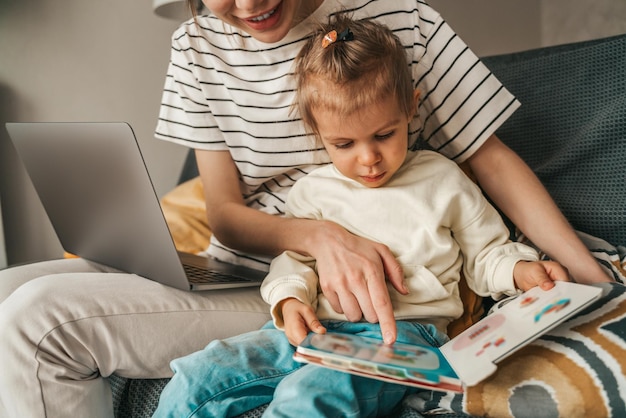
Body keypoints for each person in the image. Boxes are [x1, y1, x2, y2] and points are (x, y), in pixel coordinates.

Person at [0, 0, 611, 416]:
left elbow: (490, 160)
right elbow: (225, 213)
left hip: (359, 305)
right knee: (11, 288)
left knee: (36, 319)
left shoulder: (392, 19)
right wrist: (318, 238)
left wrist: (583, 274)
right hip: (269, 271)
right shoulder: (196, 42)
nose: (246, 3)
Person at [152, 15, 569, 417]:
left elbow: (485, 256)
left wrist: (521, 271)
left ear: (411, 108)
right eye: (344, 144)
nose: (368, 159)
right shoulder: (313, 192)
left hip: (406, 334)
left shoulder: (444, 180)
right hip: (317, 328)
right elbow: (293, 263)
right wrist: (290, 299)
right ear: (318, 134)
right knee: (197, 377)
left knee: (309, 395)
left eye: (384, 136)